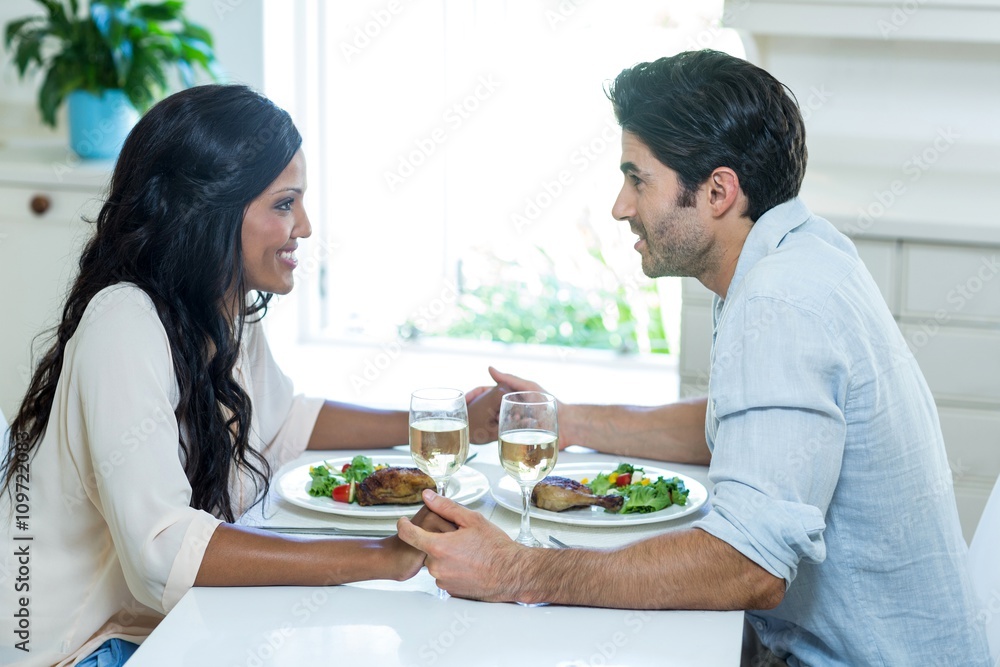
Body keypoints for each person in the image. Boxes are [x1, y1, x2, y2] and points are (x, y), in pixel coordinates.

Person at [398, 50, 992, 666]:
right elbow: (746, 424)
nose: (620, 206)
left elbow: (748, 564)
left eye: (637, 179)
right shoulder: (797, 252)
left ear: (717, 191)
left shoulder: (779, 301)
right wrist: (567, 422)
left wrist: (517, 570)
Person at [0, 84, 498, 667]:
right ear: (211, 211)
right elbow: (161, 553)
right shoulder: (124, 323)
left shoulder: (220, 304)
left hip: (158, 628)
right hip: (80, 648)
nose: (305, 226)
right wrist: (380, 557)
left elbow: (282, 420)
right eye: (285, 204)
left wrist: (450, 424)